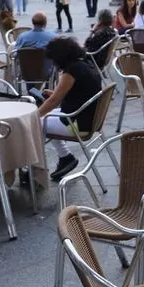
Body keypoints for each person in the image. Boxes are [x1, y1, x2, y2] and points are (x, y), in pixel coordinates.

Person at [38, 37, 103, 180]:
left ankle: (36, 168)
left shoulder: (71, 71)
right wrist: (54, 95)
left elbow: (54, 101)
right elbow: (77, 91)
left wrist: (34, 115)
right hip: (89, 118)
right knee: (47, 118)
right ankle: (65, 157)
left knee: (36, 123)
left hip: (78, 123)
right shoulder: (85, 64)